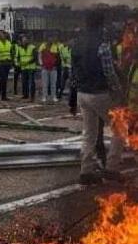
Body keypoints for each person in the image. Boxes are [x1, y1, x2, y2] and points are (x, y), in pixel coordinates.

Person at [72, 11, 125, 185]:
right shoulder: (103, 45)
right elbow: (109, 72)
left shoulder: (77, 43)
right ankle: (112, 167)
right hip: (99, 93)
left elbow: (73, 72)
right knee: (119, 127)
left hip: (82, 93)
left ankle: (86, 171)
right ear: (101, 24)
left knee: (89, 133)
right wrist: (118, 92)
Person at [39, 34, 61, 103]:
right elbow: (39, 56)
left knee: (53, 84)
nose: (50, 39)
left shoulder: (56, 46)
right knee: (45, 83)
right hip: (45, 68)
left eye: (51, 38)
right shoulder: (42, 46)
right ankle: (44, 97)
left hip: (53, 68)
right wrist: (41, 64)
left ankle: (53, 96)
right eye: (49, 38)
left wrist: (56, 65)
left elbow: (58, 58)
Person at [15, 35, 38, 101]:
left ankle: (32, 96)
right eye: (23, 40)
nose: (24, 41)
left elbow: (35, 58)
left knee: (31, 82)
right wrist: (18, 64)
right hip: (23, 68)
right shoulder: (19, 48)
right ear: (21, 41)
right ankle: (25, 95)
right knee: (24, 82)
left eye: (26, 40)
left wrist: (27, 62)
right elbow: (18, 57)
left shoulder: (32, 47)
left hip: (31, 68)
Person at [0, 30, 13, 101]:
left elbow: (11, 52)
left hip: (7, 63)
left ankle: (1, 95)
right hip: (0, 63)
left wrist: (11, 62)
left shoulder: (8, 43)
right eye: (0, 34)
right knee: (3, 78)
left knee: (4, 79)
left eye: (3, 34)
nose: (1, 35)